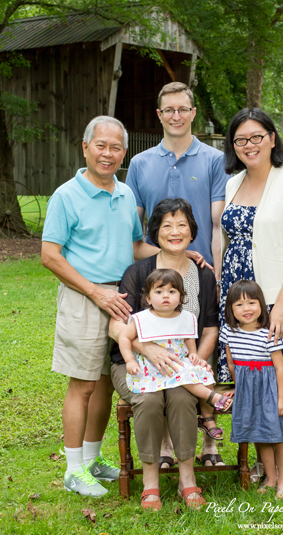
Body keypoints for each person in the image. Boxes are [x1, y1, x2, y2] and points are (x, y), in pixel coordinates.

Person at [41, 116, 157, 497]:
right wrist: (95, 292)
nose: (108, 154)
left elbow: (136, 247)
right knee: (84, 384)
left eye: (116, 148)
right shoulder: (66, 196)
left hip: (122, 300)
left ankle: (92, 460)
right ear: (86, 146)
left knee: (106, 382)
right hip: (85, 297)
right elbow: (50, 256)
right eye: (101, 146)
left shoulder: (125, 196)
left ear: (125, 152)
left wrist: (177, 253)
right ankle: (73, 469)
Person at [219, 108, 283, 481]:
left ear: (273, 138)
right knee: (248, 376)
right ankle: (263, 462)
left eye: (257, 136)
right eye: (241, 139)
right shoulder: (233, 183)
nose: (249, 145)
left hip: (278, 298)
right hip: (239, 299)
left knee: (282, 380)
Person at [108, 198, 220, 510]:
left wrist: (195, 359)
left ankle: (187, 478)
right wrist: (147, 348)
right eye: (166, 225)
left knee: (184, 397)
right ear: (155, 232)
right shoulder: (138, 271)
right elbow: (116, 327)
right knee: (149, 399)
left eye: (182, 224)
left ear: (192, 231)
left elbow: (209, 328)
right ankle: (150, 481)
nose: (175, 231)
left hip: (182, 365)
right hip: (136, 364)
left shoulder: (203, 275)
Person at [126, 81, 229, 272]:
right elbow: (133, 238)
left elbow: (219, 229)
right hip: (155, 277)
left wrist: (217, 278)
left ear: (193, 113)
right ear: (159, 114)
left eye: (182, 109)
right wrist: (172, 256)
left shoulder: (216, 161)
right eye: (169, 110)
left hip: (204, 272)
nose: (176, 116)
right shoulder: (139, 164)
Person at [118, 269, 232, 432]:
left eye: (172, 291)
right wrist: (129, 360)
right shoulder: (142, 319)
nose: (166, 296)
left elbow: (188, 338)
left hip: (179, 360)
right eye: (159, 291)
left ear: (180, 298)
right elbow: (124, 337)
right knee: (182, 373)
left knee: (204, 371)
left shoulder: (185, 317)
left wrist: (193, 353)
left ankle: (207, 417)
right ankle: (210, 397)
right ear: (149, 298)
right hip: (154, 366)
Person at [221, 280, 283, 499]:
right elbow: (232, 363)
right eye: (239, 304)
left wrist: (282, 398)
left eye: (252, 302)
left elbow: (280, 369)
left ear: (262, 305)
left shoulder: (268, 333)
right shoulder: (229, 332)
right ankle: (270, 479)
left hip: (270, 390)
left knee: (279, 437)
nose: (246, 309)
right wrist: (239, 388)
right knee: (259, 435)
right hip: (248, 391)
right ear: (230, 309)